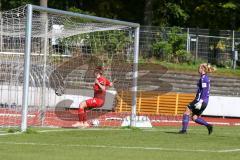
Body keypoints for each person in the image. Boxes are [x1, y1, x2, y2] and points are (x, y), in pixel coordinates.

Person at [179, 63, 216, 135]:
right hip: (205, 101)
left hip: (200, 100)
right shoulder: (205, 78)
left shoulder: (203, 78)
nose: (198, 69)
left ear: (202, 69)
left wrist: (200, 102)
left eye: (199, 68)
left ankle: (184, 130)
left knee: (187, 110)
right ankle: (208, 126)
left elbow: (204, 91)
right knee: (194, 117)